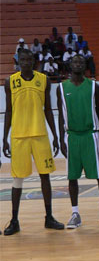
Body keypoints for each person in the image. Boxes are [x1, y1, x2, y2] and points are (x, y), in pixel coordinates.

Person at [3, 49, 63, 235]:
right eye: (23, 59)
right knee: (17, 179)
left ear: (34, 61)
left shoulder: (43, 80)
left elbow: (47, 110)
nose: (26, 62)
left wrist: (55, 135)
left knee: (45, 176)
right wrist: (4, 138)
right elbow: (9, 111)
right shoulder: (10, 82)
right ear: (18, 61)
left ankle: (49, 217)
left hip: (40, 135)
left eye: (29, 59)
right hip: (19, 136)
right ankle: (14, 220)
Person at [56, 55, 99, 229]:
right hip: (72, 136)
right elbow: (60, 116)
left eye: (81, 62)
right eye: (75, 62)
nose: (78, 64)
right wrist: (61, 139)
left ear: (85, 66)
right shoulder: (61, 88)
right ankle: (75, 213)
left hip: (91, 135)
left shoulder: (95, 86)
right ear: (70, 66)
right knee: (72, 177)